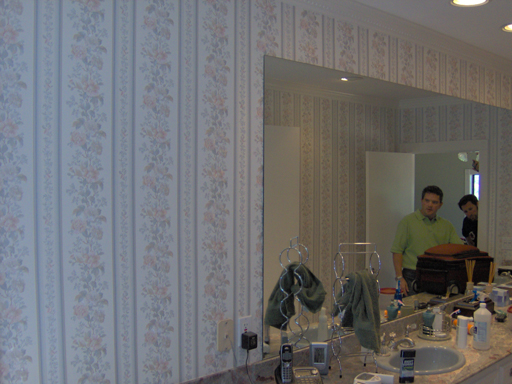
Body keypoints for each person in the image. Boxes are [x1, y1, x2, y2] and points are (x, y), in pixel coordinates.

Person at [391, 185, 463, 296]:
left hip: (438, 275)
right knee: (412, 310)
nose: (430, 205)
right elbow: (397, 251)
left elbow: (459, 249)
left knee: (435, 309)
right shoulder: (407, 222)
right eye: (427, 201)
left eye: (434, 202)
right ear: (422, 201)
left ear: (440, 205)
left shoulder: (446, 225)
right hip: (412, 275)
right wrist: (399, 278)